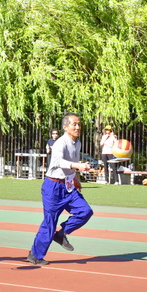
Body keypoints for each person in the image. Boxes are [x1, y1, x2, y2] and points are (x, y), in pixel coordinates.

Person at [27, 113, 93, 265]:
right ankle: (35, 255)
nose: (77, 127)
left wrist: (75, 179)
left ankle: (61, 233)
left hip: (68, 186)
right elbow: (59, 162)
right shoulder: (60, 143)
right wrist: (78, 166)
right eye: (74, 124)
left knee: (85, 211)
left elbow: (71, 163)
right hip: (53, 187)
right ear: (65, 127)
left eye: (79, 124)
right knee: (50, 222)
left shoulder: (77, 143)